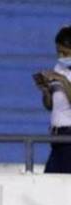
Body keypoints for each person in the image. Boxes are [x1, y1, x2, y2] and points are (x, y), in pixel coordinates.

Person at [38, 26, 71, 174]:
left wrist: (63, 80)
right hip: (56, 137)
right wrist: (46, 91)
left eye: (65, 53)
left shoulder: (61, 75)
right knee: (49, 181)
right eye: (58, 52)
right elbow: (50, 106)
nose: (61, 56)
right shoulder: (59, 68)